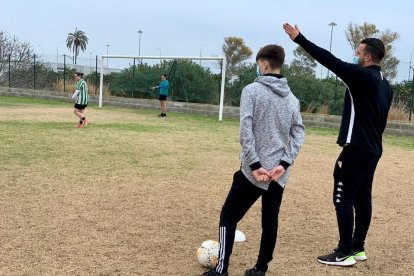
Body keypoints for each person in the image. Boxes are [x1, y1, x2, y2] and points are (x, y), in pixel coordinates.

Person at [283, 23, 393, 266]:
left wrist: (299, 38)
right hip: (374, 149)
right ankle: (358, 248)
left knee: (343, 198)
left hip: (356, 150)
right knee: (363, 198)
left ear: (367, 56)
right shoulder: (386, 83)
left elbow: (328, 59)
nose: (355, 53)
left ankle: (344, 252)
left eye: (358, 50)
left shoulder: (360, 75)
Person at [202, 44, 305, 276]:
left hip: (252, 172)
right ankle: (260, 270)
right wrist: (283, 165)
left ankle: (221, 270)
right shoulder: (292, 99)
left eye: (259, 63)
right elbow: (299, 133)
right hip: (278, 175)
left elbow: (245, 131)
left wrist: (256, 165)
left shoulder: (251, 91)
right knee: (270, 222)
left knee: (229, 216)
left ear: (264, 63)